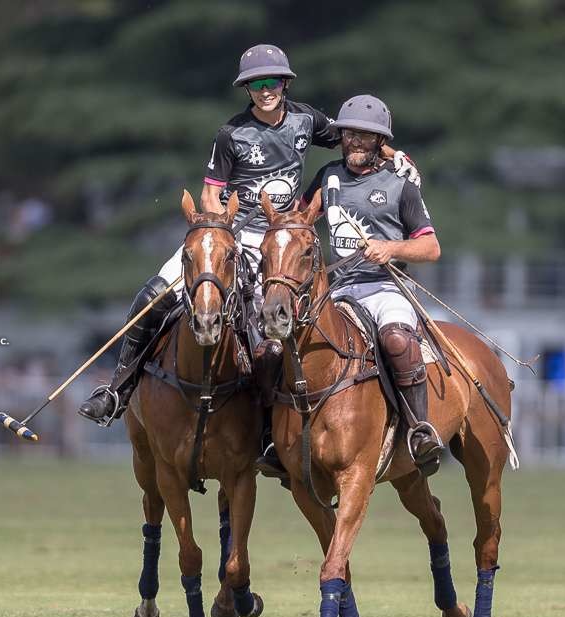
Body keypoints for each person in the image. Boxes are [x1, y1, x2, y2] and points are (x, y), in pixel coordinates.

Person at [78, 46, 420, 475]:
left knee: (272, 330)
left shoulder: (306, 120)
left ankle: (265, 430)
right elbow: (210, 190)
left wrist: (394, 155)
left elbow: (357, 137)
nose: (265, 91)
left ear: (285, 84)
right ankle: (116, 391)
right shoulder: (231, 134)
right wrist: (216, 225)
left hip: (274, 239)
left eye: (272, 82)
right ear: (246, 90)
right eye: (255, 85)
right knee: (154, 294)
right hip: (228, 233)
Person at [300, 94, 444, 474]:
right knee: (286, 339)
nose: (355, 143)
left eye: (366, 136)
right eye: (349, 135)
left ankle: (419, 429)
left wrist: (390, 247)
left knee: (397, 338)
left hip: (385, 288)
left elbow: (430, 247)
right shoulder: (329, 176)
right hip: (338, 290)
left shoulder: (401, 184)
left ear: (381, 141)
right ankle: (275, 434)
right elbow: (299, 219)